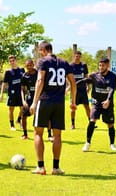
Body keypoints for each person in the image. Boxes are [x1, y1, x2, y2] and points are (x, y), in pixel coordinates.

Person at [30, 41, 76, 175]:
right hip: (59, 103)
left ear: (44, 50)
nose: (40, 53)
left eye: (40, 51)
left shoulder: (43, 61)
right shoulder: (64, 62)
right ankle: (56, 168)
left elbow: (40, 80)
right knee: (57, 135)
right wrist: (72, 101)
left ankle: (40, 167)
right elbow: (73, 82)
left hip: (44, 100)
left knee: (38, 133)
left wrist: (34, 101)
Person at [80, 57, 116, 152]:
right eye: (100, 65)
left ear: (108, 65)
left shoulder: (112, 76)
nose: (101, 67)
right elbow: (84, 80)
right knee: (92, 120)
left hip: (107, 104)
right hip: (96, 103)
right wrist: (70, 86)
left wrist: (108, 100)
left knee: (110, 124)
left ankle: (112, 144)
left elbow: (112, 89)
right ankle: (87, 143)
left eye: (103, 65)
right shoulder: (94, 75)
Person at [20, 59, 53, 140]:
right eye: (27, 66)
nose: (29, 67)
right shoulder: (24, 76)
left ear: (33, 64)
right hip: (30, 99)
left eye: (30, 65)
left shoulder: (39, 73)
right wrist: (23, 101)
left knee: (47, 117)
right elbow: (22, 90)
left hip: (41, 98)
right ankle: (25, 134)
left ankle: (49, 135)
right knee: (24, 116)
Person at [0, 55, 25, 131]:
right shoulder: (8, 72)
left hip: (21, 93)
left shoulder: (22, 70)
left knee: (23, 108)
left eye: (13, 61)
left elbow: (25, 81)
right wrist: (1, 94)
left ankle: (19, 119)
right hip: (12, 93)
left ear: (16, 61)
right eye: (10, 61)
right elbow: (4, 83)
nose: (12, 62)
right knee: (11, 109)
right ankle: (12, 125)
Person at [69, 51, 90, 129]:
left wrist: (88, 86)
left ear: (80, 57)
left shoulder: (83, 65)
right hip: (74, 91)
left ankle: (91, 123)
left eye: (79, 56)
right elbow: (67, 77)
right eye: (76, 56)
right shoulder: (70, 66)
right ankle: (73, 124)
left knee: (87, 107)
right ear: (74, 56)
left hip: (83, 90)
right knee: (73, 108)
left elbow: (86, 76)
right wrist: (70, 86)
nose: (77, 58)